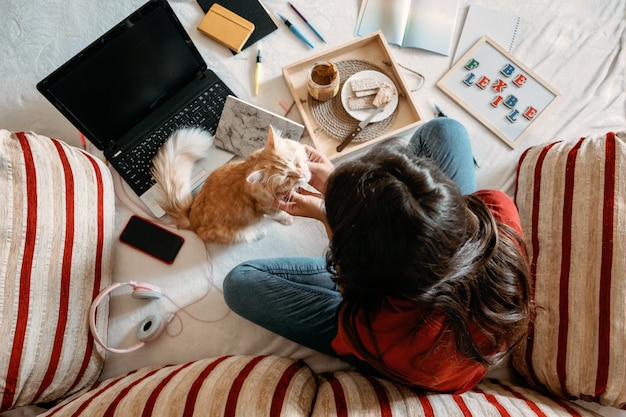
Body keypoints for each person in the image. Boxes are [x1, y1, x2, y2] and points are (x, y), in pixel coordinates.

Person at [223, 118, 532, 393]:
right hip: (444, 307)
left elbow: (353, 289)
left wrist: (326, 216)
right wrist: (337, 186)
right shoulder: (496, 213)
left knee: (241, 283)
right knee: (445, 129)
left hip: (415, 353)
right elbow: (413, 230)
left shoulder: (377, 329)